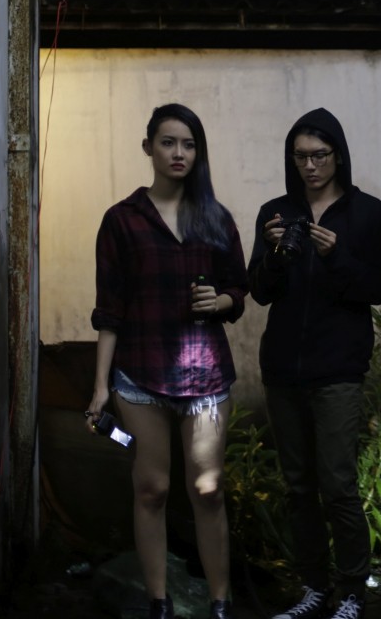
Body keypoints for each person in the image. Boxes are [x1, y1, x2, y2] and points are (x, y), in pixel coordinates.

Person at [87, 103, 248, 619]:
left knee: (208, 490)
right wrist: (100, 387)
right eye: (168, 142)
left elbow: (238, 289)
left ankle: (220, 602)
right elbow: (109, 310)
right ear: (149, 147)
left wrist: (220, 302)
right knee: (152, 487)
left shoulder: (215, 217)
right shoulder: (122, 221)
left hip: (205, 374)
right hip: (140, 372)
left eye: (189, 144)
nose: (179, 153)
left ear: (198, 153)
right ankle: (159, 601)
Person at [247, 108, 381, 619]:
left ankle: (351, 591)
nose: (310, 166)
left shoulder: (366, 213)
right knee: (298, 487)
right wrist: (274, 255)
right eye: (301, 157)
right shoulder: (275, 212)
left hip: (337, 369)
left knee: (337, 485)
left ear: (338, 156)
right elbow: (259, 291)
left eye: (320, 156)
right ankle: (313, 588)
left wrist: (337, 257)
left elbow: (380, 287)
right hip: (282, 368)